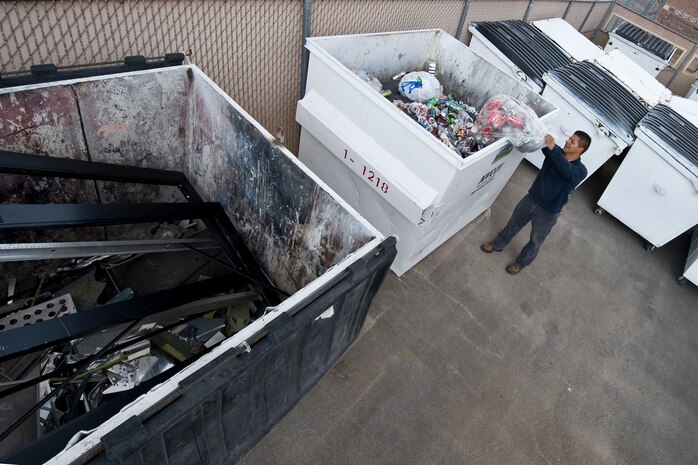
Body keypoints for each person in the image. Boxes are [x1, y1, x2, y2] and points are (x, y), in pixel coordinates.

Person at [480, 131, 591, 274]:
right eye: (569, 138)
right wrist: (531, 131)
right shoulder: (555, 152)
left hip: (548, 212)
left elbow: (567, 170)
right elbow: (538, 142)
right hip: (531, 198)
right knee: (513, 224)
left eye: (573, 141)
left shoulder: (580, 171)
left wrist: (553, 148)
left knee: (535, 240)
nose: (568, 141)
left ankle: (520, 263)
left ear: (580, 150)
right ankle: (498, 244)